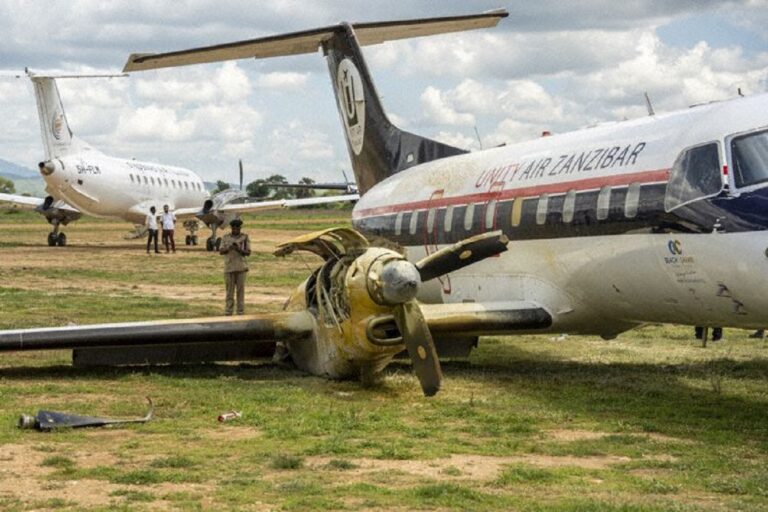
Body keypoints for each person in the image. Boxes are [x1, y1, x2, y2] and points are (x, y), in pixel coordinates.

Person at [219, 218, 251, 315]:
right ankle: (228, 311)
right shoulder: (226, 237)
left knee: (240, 292)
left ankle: (240, 311)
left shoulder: (245, 238)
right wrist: (229, 248)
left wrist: (238, 249)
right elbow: (221, 251)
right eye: (234, 228)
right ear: (231, 228)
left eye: (237, 228)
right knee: (229, 292)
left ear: (240, 228)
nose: (236, 230)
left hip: (241, 268)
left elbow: (248, 252)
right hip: (229, 268)